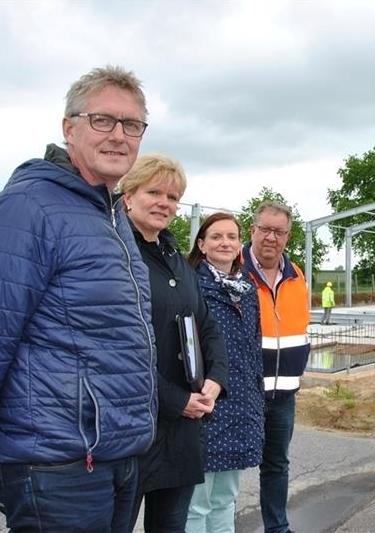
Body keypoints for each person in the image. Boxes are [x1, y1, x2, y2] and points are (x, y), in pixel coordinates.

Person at [0, 65, 156, 532]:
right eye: (103, 120)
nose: (119, 135)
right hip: (54, 462)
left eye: (132, 125)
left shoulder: (110, 215)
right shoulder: (28, 208)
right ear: (69, 128)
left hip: (115, 455)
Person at [121, 155, 229, 532]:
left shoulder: (176, 260)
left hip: (182, 432)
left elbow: (206, 325)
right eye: (154, 192)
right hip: (134, 428)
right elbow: (114, 349)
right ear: (128, 196)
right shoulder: (115, 254)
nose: (165, 203)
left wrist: (216, 378)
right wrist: (173, 399)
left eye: (173, 196)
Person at [186, 212, 264, 533]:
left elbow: (254, 348)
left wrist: (257, 400)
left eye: (232, 237)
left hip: (241, 406)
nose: (225, 243)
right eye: (216, 237)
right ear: (202, 245)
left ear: (239, 245)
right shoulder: (191, 285)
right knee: (196, 500)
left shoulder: (247, 289)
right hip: (206, 402)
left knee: (226, 496)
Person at [242, 201, 311, 533]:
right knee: (224, 467)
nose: (271, 237)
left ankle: (277, 528)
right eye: (265, 229)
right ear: (252, 229)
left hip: (284, 392)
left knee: (276, 465)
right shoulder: (233, 269)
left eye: (279, 231)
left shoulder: (296, 274)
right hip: (243, 391)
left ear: (288, 235)